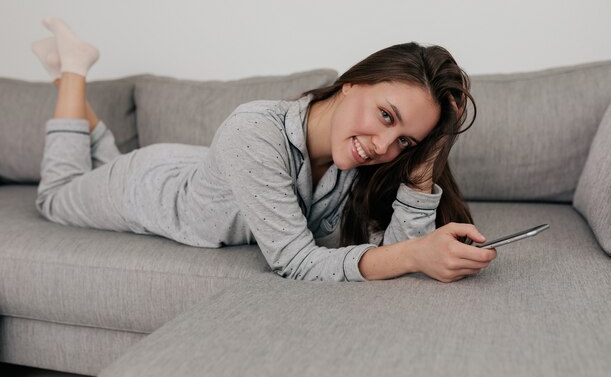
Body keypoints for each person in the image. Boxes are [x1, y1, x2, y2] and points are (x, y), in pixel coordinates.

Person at [32, 17, 497, 284]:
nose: (382, 147)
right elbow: (294, 261)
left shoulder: (352, 162)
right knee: (55, 196)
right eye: (386, 116)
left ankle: (65, 77)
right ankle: (72, 69)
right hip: (145, 188)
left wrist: (424, 164)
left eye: (404, 142)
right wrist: (417, 256)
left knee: (96, 167)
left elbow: (393, 252)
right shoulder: (253, 129)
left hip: (207, 168)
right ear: (354, 81)